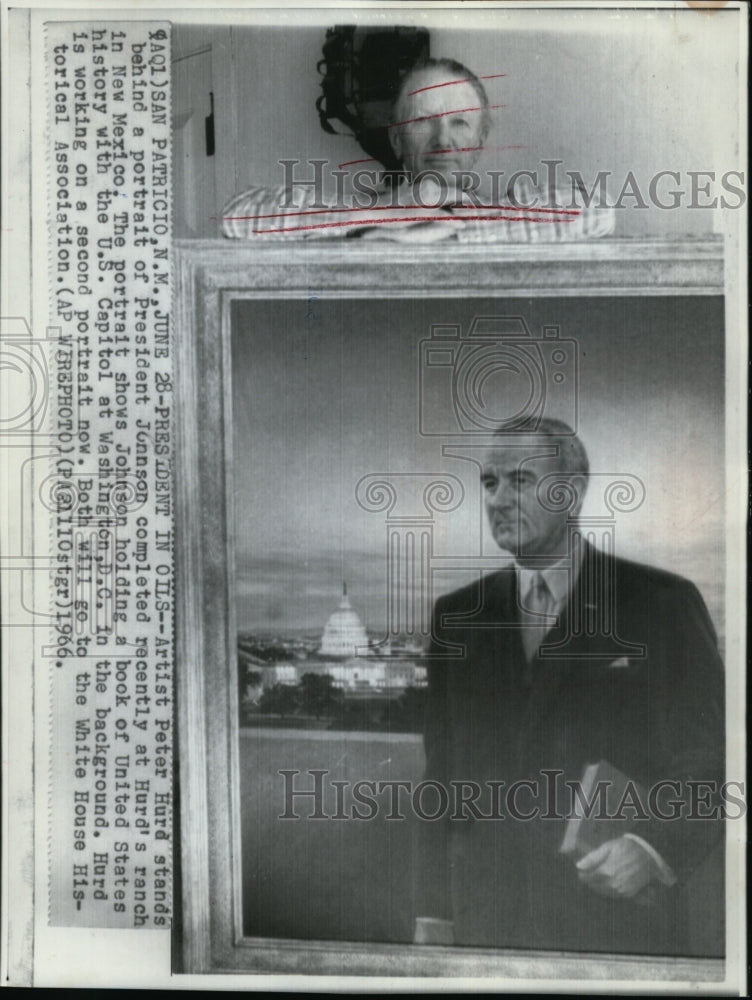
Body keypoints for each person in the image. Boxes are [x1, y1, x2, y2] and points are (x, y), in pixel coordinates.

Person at [414, 418, 724, 954]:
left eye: (521, 480)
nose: (499, 500)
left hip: (618, 925)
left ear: (573, 491)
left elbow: (714, 753)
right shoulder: (457, 616)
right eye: (489, 483)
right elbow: (441, 773)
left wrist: (653, 847)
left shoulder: (661, 603)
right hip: (489, 927)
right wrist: (434, 910)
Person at [223, 58, 614, 242]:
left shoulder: (509, 207)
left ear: (478, 142)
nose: (442, 140)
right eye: (423, 120)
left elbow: (598, 210)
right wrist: (390, 213)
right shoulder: (351, 209)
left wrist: (453, 224)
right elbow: (237, 217)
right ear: (396, 140)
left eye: (460, 122)